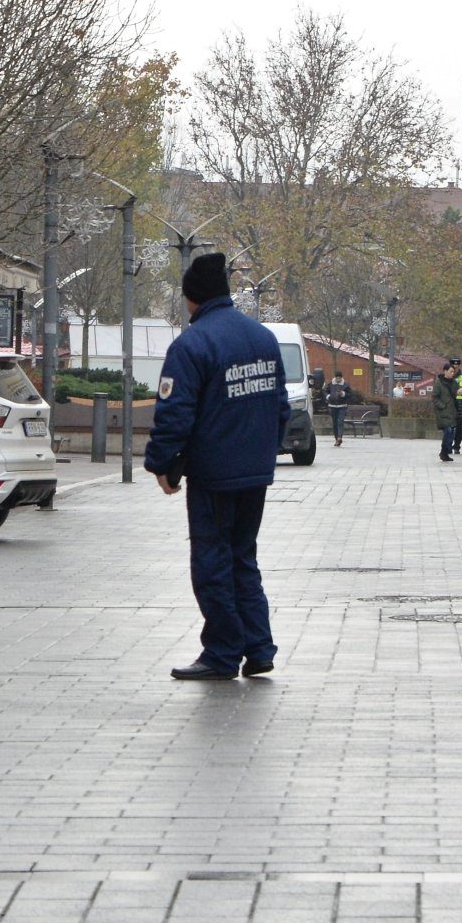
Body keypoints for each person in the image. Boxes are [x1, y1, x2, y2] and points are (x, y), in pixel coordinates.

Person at [144, 252, 289, 681]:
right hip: (255, 472)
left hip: (214, 474)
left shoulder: (192, 344)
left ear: (191, 298)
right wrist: (264, 452)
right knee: (243, 558)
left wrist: (161, 464)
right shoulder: (262, 337)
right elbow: (280, 406)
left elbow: (175, 413)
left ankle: (222, 653)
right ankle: (259, 647)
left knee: (212, 562)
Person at [433, 363, 461, 463]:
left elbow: (457, 392)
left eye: (453, 372)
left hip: (452, 411)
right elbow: (435, 397)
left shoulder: (454, 382)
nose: (452, 373)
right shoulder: (439, 383)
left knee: (450, 433)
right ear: (445, 371)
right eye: (450, 371)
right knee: (448, 430)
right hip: (443, 412)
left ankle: (444, 451)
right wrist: (442, 406)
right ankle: (444, 452)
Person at [323, 369, 355, 447]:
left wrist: (343, 394)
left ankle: (339, 438)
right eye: (337, 378)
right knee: (334, 423)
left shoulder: (345, 385)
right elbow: (324, 391)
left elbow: (350, 394)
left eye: (339, 378)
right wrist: (328, 396)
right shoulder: (330, 384)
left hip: (342, 406)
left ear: (341, 378)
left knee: (340, 422)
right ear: (335, 378)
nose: (338, 379)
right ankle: (336, 438)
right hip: (332, 406)